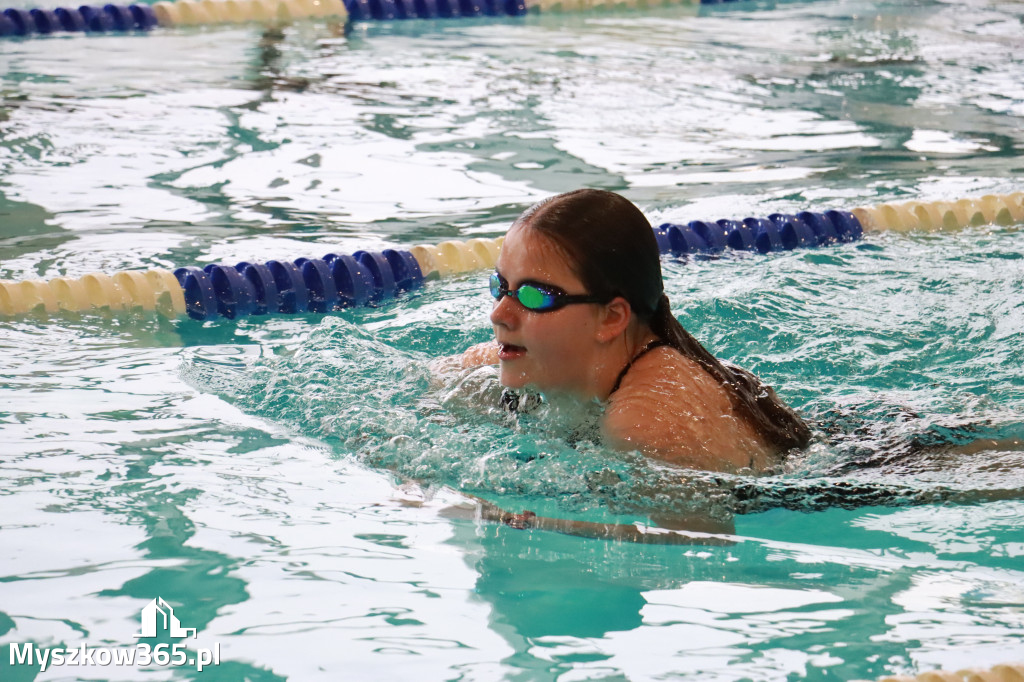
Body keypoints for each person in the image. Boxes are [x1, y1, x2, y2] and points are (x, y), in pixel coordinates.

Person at [459, 188, 812, 475]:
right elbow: (442, 377)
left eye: (534, 296)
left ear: (612, 318)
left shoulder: (645, 425)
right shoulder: (539, 355)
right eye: (500, 286)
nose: (499, 313)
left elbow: (700, 549)